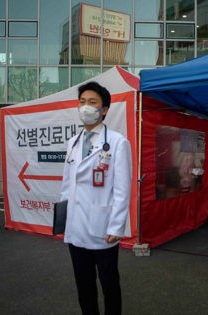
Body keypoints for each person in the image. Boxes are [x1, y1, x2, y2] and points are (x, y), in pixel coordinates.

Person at [60, 81, 132, 315]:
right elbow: (66, 185)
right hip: (75, 227)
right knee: (84, 285)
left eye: (92, 103)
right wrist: (63, 219)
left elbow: (122, 189)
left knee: (109, 283)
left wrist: (116, 225)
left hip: (103, 228)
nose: (85, 107)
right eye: (81, 102)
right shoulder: (72, 143)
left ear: (104, 110)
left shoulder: (118, 142)